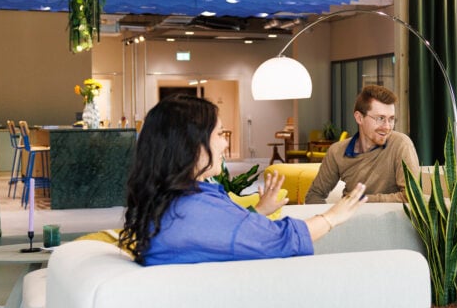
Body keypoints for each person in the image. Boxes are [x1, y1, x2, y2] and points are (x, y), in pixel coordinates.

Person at [120, 94, 367, 266]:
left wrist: (258, 212)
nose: (225, 142)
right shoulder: (194, 211)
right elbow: (282, 238)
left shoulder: (172, 201)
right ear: (192, 146)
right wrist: (333, 216)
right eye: (219, 134)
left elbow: (222, 235)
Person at [305, 84, 420, 204]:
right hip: (350, 220)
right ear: (359, 118)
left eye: (391, 119)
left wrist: (359, 200)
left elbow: (412, 197)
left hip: (390, 220)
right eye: (380, 118)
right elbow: (314, 195)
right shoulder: (337, 152)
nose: (387, 127)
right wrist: (330, 219)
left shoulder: (401, 144)